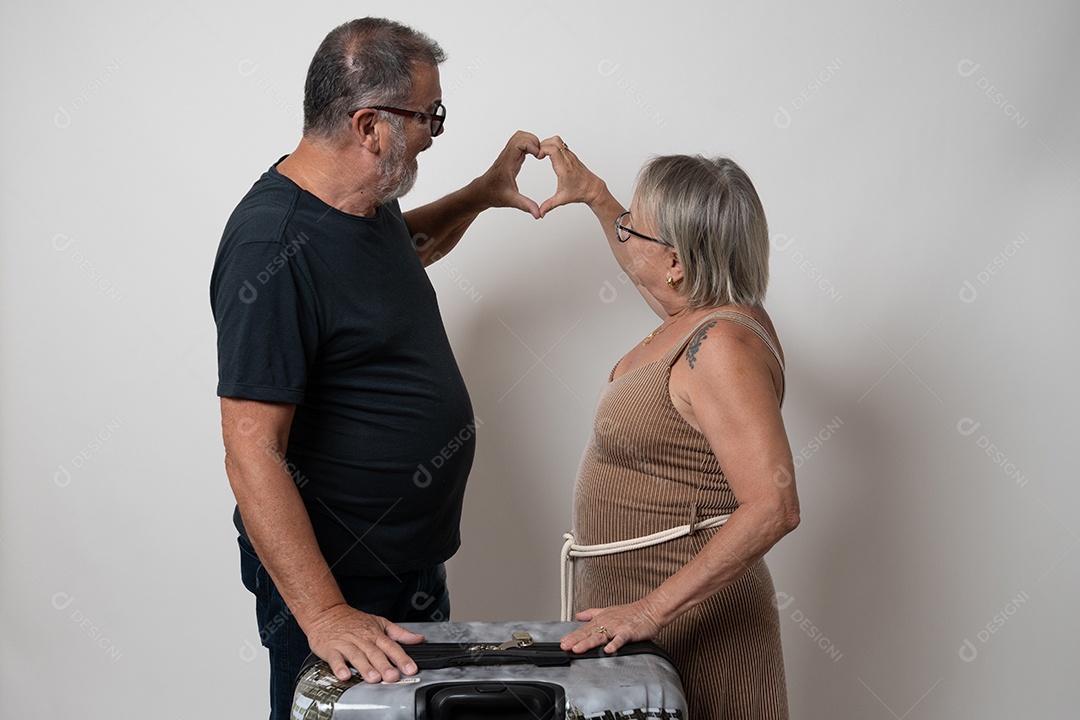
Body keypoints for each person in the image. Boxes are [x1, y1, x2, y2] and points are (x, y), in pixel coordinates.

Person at [210, 18, 545, 720]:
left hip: (407, 563)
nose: (432, 133)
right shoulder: (272, 249)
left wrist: (482, 193)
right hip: (337, 579)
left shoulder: (364, 204)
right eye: (429, 116)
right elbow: (250, 449)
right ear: (368, 125)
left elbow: (400, 256)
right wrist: (326, 613)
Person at [541, 138, 801, 719]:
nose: (624, 231)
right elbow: (646, 270)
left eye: (636, 224)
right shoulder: (689, 318)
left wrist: (650, 611)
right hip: (637, 623)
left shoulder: (721, 346)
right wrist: (595, 196)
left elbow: (774, 506)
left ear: (679, 259)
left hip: (695, 627)